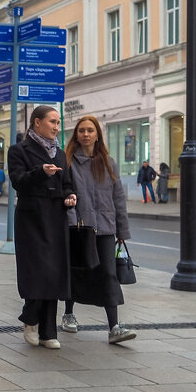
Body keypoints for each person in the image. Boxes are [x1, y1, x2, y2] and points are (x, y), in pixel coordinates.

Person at [60, 116, 137, 344]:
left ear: (97, 135)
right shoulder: (68, 162)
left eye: (90, 130)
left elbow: (118, 198)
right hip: (79, 227)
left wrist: (122, 231)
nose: (86, 134)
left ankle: (114, 327)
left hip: (104, 228)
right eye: (82, 130)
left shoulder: (108, 162)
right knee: (76, 271)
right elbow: (65, 194)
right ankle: (68, 314)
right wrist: (71, 222)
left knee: (108, 274)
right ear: (76, 135)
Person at [8, 105, 76, 349]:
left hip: (56, 217)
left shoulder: (60, 154)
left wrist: (70, 196)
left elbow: (67, 184)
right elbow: (18, 181)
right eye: (52, 122)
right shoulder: (19, 150)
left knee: (54, 273)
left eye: (58, 123)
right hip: (32, 218)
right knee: (37, 271)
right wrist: (40, 172)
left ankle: (49, 331)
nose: (57, 127)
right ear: (37, 122)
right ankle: (30, 319)